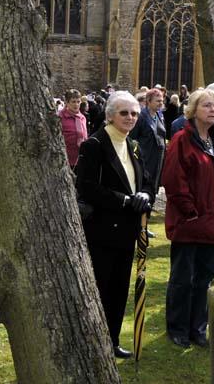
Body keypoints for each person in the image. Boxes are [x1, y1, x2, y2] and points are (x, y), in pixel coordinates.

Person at [75, 90, 154, 359]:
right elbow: (85, 187)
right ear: (110, 115)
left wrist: (145, 194)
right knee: (101, 288)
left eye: (134, 113)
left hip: (129, 231)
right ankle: (92, 343)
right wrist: (123, 200)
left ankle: (112, 340)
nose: (130, 117)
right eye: (124, 113)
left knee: (119, 289)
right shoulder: (94, 145)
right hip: (102, 230)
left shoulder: (133, 145)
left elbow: (146, 180)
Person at [161, 89, 214, 349]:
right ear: (193, 110)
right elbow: (173, 180)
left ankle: (198, 328)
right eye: (206, 106)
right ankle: (177, 328)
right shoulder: (181, 139)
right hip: (189, 223)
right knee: (183, 278)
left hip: (212, 224)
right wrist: (190, 211)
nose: (212, 110)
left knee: (204, 279)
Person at [129, 88, 166, 190]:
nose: (161, 103)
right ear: (149, 101)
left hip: (157, 161)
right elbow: (131, 138)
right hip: (145, 161)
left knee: (153, 189)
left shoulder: (159, 115)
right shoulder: (141, 117)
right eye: (158, 101)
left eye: (162, 101)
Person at [59, 89, 88, 170]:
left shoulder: (82, 117)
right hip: (66, 161)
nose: (76, 104)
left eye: (78, 102)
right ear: (67, 103)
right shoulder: (60, 116)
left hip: (81, 159)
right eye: (73, 101)